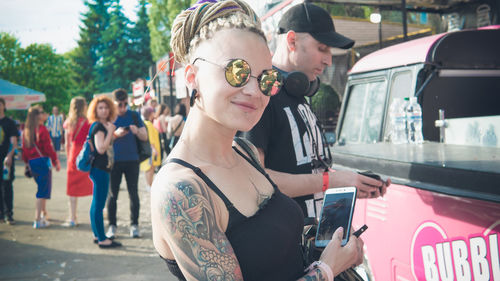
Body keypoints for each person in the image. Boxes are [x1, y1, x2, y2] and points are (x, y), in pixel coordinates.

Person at [151, 1, 363, 280]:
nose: (254, 91)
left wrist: (324, 249)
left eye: (266, 79)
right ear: (193, 77)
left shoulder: (246, 152)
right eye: (236, 71)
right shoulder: (180, 191)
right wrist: (326, 269)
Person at [240, 2, 390, 218]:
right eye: (322, 48)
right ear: (292, 41)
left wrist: (350, 184)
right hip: (284, 245)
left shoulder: (299, 95)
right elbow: (255, 179)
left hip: (313, 238)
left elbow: (307, 175)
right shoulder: (262, 95)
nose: (328, 60)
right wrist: (331, 181)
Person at [107, 88, 148, 239]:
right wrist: (115, 135)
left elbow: (144, 137)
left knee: (133, 194)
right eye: (119, 105)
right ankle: (112, 226)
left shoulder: (134, 115)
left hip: (132, 160)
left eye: (125, 104)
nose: (123, 108)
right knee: (112, 195)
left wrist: (136, 130)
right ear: (114, 103)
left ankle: (134, 225)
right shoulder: (109, 117)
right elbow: (101, 141)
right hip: (114, 161)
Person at [87, 95, 122, 248]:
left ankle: (97, 234)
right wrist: (110, 132)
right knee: (99, 205)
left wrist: (112, 132)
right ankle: (102, 238)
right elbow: (101, 148)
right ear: (95, 110)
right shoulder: (99, 127)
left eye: (106, 107)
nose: (104, 110)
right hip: (100, 169)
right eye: (100, 108)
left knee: (96, 203)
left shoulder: (99, 126)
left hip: (99, 169)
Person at [22, 105, 61, 229]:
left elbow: (24, 151)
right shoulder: (42, 129)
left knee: (41, 188)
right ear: (37, 116)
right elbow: (48, 148)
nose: (45, 114)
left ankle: (43, 214)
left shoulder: (26, 130)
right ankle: (37, 219)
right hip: (43, 161)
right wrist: (55, 161)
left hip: (32, 163)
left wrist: (27, 163)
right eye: (42, 112)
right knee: (42, 191)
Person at [63, 97, 93, 227]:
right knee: (92, 184)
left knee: (72, 188)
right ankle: (97, 213)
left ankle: (72, 217)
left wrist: (69, 157)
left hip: (73, 154)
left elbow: (66, 143)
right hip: (84, 154)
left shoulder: (69, 122)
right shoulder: (88, 122)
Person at [0, 98, 19, 224]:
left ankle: (8, 214)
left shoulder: (9, 123)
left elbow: (14, 143)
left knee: (7, 186)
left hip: (6, 161)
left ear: (3, 106)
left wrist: (9, 155)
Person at [140, 106, 161, 190]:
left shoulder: (146, 123)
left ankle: (149, 185)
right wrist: (154, 149)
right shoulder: (148, 124)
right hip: (151, 151)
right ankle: (149, 185)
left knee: (150, 168)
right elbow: (151, 138)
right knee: (150, 168)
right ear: (150, 113)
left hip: (150, 150)